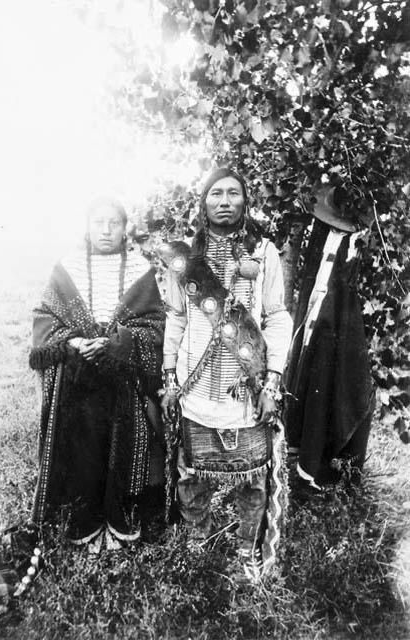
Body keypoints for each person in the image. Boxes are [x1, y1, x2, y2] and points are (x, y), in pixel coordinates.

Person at [161, 168, 292, 581]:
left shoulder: (265, 252)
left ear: (244, 202)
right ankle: (196, 544)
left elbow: (276, 317)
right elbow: (176, 319)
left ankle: (245, 551)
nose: (223, 201)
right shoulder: (186, 261)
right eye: (215, 193)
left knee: (252, 480)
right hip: (197, 388)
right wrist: (169, 377)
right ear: (203, 204)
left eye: (233, 193)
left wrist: (271, 380)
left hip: (247, 390)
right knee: (191, 473)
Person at [28, 197, 165, 555]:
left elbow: (153, 324)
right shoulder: (66, 268)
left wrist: (119, 343)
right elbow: (45, 319)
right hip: (77, 382)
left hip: (124, 381)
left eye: (114, 223)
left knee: (121, 443)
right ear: (87, 227)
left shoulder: (140, 269)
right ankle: (85, 519)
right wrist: (73, 342)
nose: (106, 230)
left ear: (125, 229)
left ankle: (120, 515)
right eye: (98, 222)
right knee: (83, 449)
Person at [284, 186, 375, 491]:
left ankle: (321, 462)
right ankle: (301, 451)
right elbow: (314, 274)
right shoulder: (321, 233)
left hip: (336, 325)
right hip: (313, 317)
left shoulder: (357, 245)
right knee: (307, 379)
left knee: (332, 382)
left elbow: (345, 287)